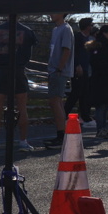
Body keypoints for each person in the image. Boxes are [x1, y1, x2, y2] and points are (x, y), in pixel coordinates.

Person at [0, 18, 38, 152]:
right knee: (22, 107)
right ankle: (23, 142)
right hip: (19, 70)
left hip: (1, 70)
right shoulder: (27, 31)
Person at [45, 13, 75, 149]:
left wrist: (59, 68)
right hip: (53, 70)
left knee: (55, 101)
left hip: (59, 71)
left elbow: (66, 50)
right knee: (56, 102)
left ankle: (61, 136)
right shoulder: (55, 29)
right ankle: (61, 134)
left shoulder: (66, 29)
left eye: (54, 11)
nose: (51, 14)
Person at [64, 17, 94, 127]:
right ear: (86, 26)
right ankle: (64, 114)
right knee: (76, 92)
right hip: (78, 69)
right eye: (91, 25)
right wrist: (77, 65)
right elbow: (74, 52)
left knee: (85, 93)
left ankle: (85, 116)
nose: (92, 27)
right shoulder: (77, 37)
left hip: (86, 68)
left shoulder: (90, 39)